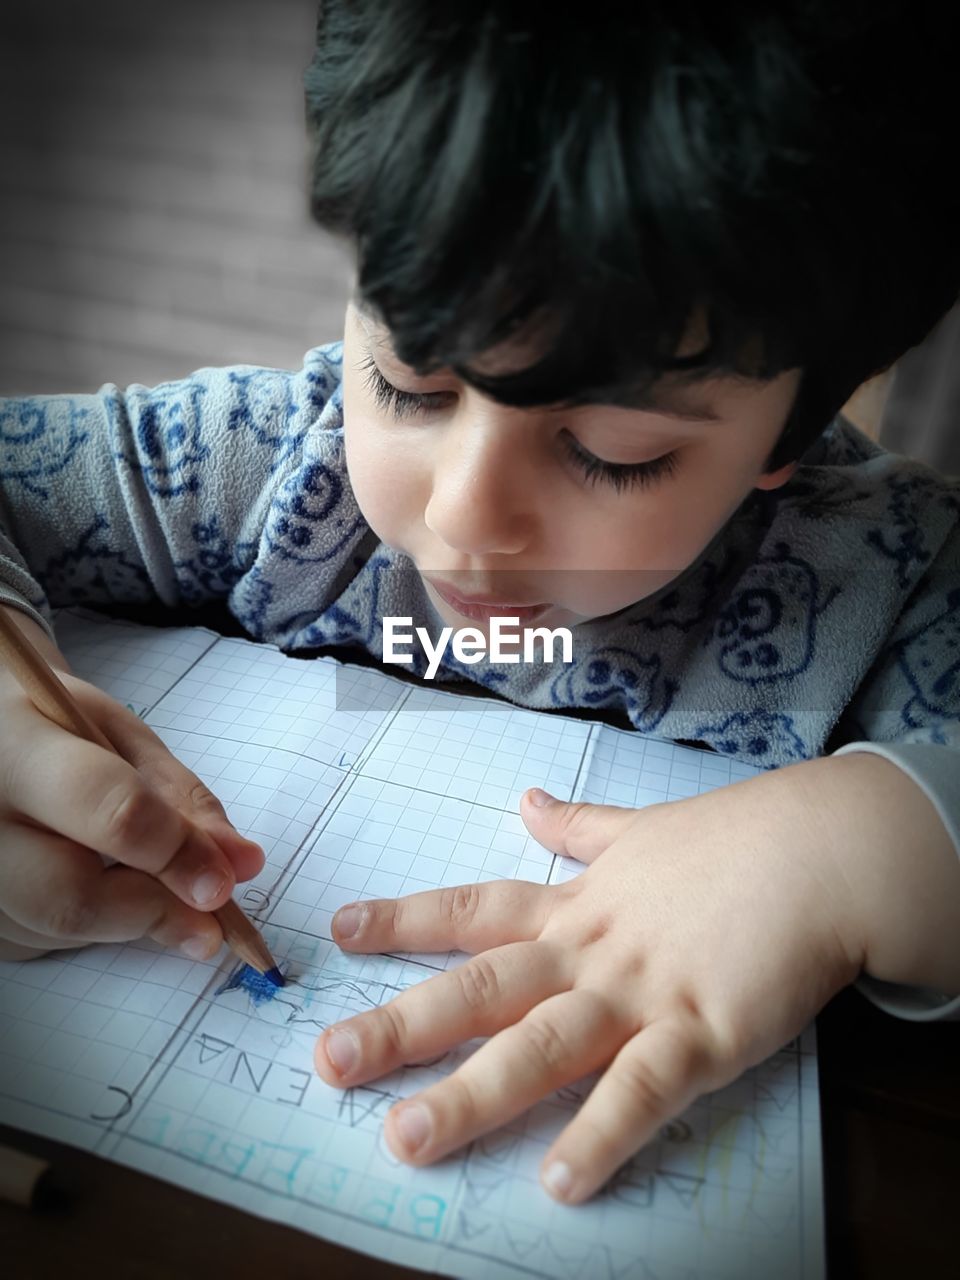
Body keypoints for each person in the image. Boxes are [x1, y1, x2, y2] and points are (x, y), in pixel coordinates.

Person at [1, 0, 958, 1204]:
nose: (464, 512)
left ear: (799, 421)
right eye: (408, 381)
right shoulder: (263, 465)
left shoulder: (883, 576)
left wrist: (855, 850)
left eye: (612, 452)